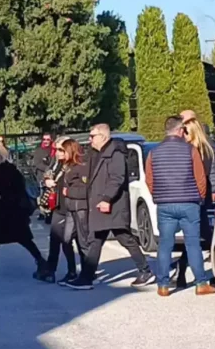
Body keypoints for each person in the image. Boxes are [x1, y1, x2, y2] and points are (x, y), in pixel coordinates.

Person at [64, 124, 155, 290]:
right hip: (99, 205)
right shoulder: (95, 153)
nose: (90, 139)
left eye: (93, 136)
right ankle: (87, 277)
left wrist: (107, 199)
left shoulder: (115, 153)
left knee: (124, 238)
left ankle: (145, 271)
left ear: (103, 137)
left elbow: (117, 178)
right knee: (95, 240)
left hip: (113, 205)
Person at [146, 116, 215, 297]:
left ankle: (163, 285)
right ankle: (201, 283)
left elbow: (149, 179)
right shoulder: (190, 150)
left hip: (165, 204)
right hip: (189, 203)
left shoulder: (154, 152)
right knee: (193, 244)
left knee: (165, 245)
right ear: (180, 130)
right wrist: (199, 197)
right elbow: (200, 178)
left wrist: (158, 194)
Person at [0, 147, 47, 281]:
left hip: (10, 213)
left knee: (23, 238)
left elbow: (17, 191)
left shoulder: (10, 171)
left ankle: (41, 261)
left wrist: (0, 195)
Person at [173, 115, 215, 288]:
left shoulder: (206, 148)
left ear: (192, 132)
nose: (183, 135)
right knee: (199, 235)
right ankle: (188, 270)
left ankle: (184, 269)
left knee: (199, 235)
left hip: (201, 194)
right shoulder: (187, 149)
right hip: (192, 196)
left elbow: (214, 169)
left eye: (186, 132)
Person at [41, 138, 89, 284]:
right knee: (56, 239)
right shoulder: (58, 163)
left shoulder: (78, 165)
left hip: (72, 207)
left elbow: (84, 187)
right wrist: (47, 181)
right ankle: (52, 271)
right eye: (56, 150)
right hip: (59, 207)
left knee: (76, 241)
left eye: (61, 150)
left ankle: (85, 272)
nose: (58, 153)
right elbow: (48, 174)